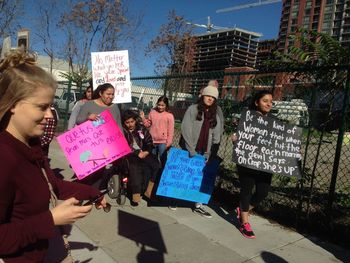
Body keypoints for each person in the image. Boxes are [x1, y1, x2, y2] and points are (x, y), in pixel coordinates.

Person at [0, 50, 107, 262]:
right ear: (13, 104)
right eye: (42, 107)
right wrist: (51, 219)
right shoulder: (4, 157)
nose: (50, 115)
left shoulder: (32, 145)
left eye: (50, 106)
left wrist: (93, 192)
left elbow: (53, 185)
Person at [174, 85, 222, 218]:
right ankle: (176, 199)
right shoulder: (193, 109)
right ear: (202, 96)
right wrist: (190, 149)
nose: (210, 99)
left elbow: (217, 135)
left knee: (201, 178)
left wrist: (211, 153)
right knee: (184, 175)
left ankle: (198, 205)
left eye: (213, 97)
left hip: (204, 152)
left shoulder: (215, 115)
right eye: (208, 96)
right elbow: (185, 129)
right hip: (190, 149)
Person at [234, 90, 273, 239]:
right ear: (257, 102)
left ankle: (243, 209)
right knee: (247, 190)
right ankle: (244, 222)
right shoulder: (247, 118)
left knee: (263, 192)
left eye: (271, 101)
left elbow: (281, 141)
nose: (269, 104)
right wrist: (236, 138)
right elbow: (240, 136)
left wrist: (293, 149)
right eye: (265, 101)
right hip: (248, 161)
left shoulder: (274, 122)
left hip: (266, 163)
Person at [122, 110, 161, 205]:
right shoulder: (122, 131)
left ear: (135, 120)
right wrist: (136, 152)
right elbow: (123, 146)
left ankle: (149, 191)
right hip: (130, 155)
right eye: (127, 122)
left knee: (156, 164)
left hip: (144, 152)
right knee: (135, 167)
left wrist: (146, 151)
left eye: (132, 121)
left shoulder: (141, 128)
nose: (130, 124)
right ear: (124, 123)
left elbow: (149, 141)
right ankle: (136, 195)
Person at [140, 95, 174, 167]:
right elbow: (148, 124)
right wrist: (143, 118)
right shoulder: (152, 112)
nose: (160, 107)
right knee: (152, 160)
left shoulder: (169, 116)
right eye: (159, 105)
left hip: (163, 143)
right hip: (152, 142)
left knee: (163, 160)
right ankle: (153, 176)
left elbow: (171, 130)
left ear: (166, 105)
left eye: (162, 105)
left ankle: (162, 175)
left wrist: (169, 143)